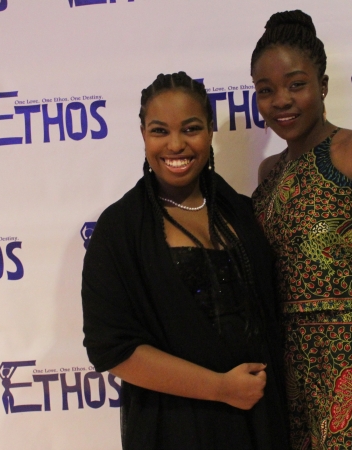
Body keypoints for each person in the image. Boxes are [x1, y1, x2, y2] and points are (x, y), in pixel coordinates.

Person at [81, 72, 290, 450]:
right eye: (160, 131)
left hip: (259, 425)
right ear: (143, 133)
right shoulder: (120, 230)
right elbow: (111, 349)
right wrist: (220, 388)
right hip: (173, 429)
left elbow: (287, 285)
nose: (176, 145)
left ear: (210, 130)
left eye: (191, 128)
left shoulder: (244, 213)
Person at [250, 10, 352, 450]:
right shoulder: (268, 173)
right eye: (266, 91)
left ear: (322, 85)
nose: (281, 100)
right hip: (288, 378)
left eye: (296, 84)